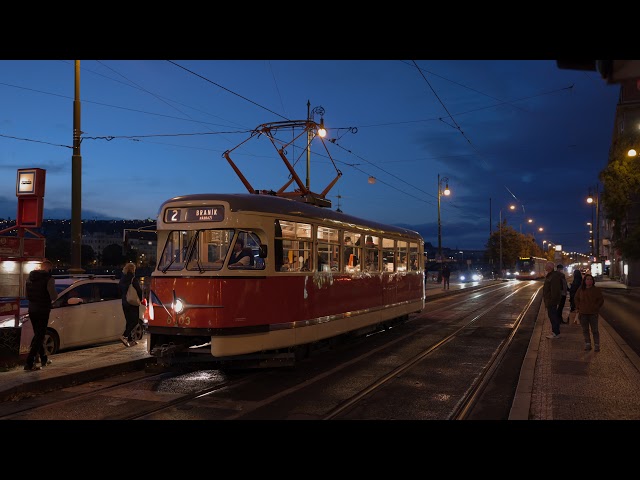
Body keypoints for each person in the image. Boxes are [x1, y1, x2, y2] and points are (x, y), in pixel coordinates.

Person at [24, 259, 58, 371]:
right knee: (40, 335)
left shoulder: (29, 278)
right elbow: (53, 296)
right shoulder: (49, 279)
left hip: (32, 309)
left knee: (38, 334)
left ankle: (44, 358)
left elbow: (26, 296)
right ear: (49, 268)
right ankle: (29, 362)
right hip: (43, 310)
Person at [575, 273, 605, 352]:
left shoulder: (596, 290)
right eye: (587, 279)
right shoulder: (581, 289)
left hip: (593, 313)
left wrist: (596, 307)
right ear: (584, 281)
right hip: (583, 313)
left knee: (594, 330)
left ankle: (596, 345)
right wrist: (578, 307)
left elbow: (601, 300)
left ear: (593, 281)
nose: (589, 281)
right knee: (585, 330)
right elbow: (576, 298)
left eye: (590, 279)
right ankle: (587, 343)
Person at [118, 262, 142, 347]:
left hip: (124, 302)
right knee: (135, 321)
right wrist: (141, 299)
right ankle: (124, 335)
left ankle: (130, 339)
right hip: (132, 302)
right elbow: (139, 290)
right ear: (133, 269)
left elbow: (120, 290)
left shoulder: (122, 279)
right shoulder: (133, 279)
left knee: (129, 321)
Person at [542, 260, 563, 339]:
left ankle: (556, 333)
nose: (545, 267)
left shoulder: (553, 276)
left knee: (553, 317)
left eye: (546, 266)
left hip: (551, 301)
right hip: (550, 300)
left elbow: (554, 290)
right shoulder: (550, 275)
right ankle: (555, 332)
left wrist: (552, 301)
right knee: (552, 316)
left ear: (550, 267)